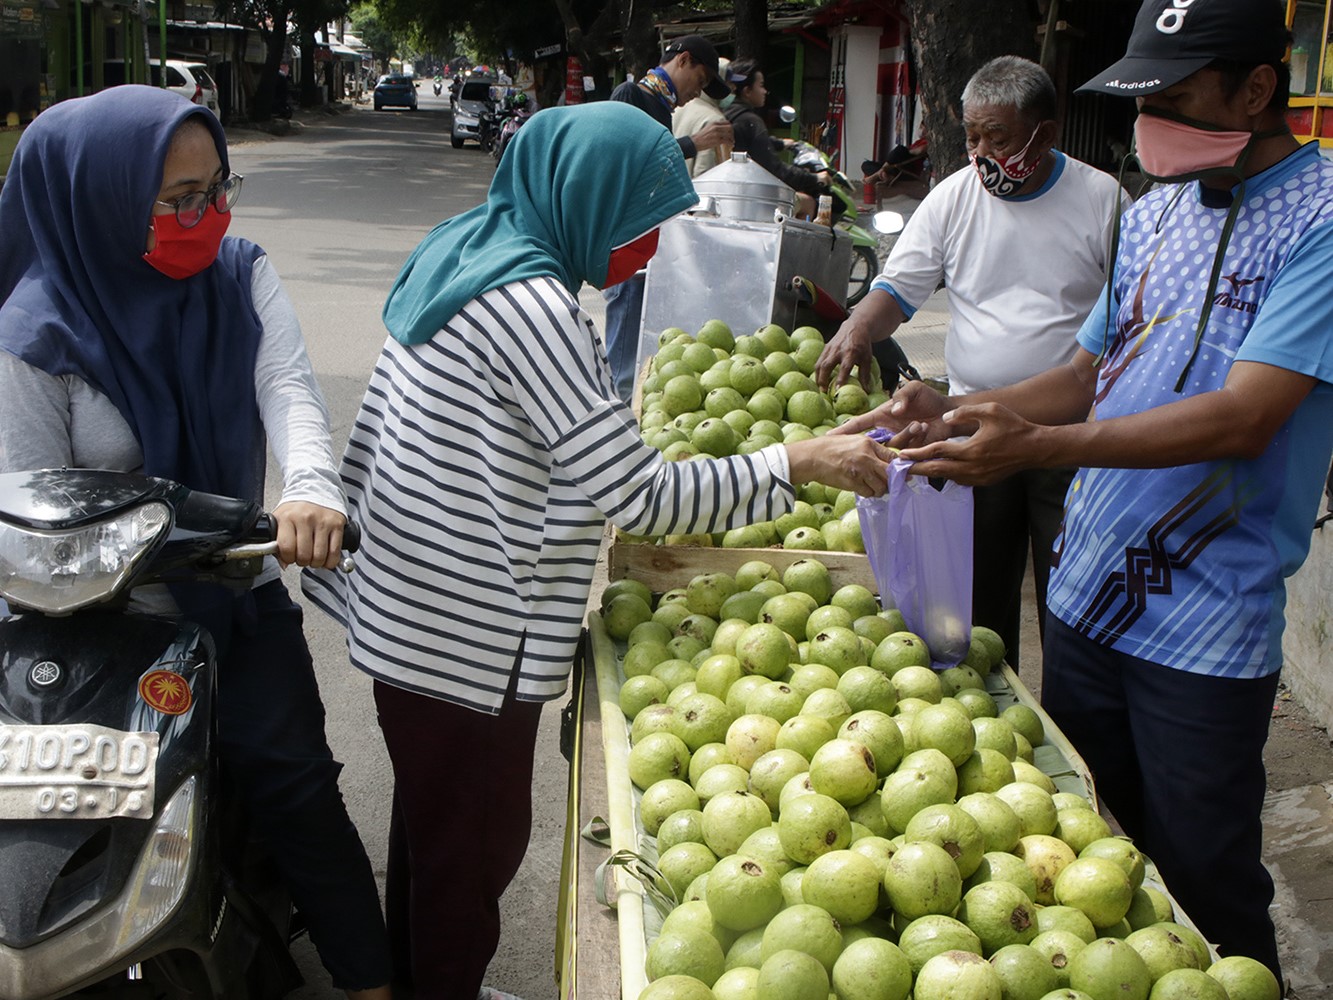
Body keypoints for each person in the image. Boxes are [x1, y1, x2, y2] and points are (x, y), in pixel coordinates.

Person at [300, 102, 895, 1000]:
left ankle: (430, 979)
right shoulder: (529, 306)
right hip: (468, 631)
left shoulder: (468, 249)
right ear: (586, 199)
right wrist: (800, 459)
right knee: (475, 846)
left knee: (434, 832)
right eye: (640, 224)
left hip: (414, 608)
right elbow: (639, 493)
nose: (649, 249)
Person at [837, 0, 1332, 982]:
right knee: (1096, 854)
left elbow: (1246, 415)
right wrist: (964, 411)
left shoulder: (1320, 220)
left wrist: (1039, 443)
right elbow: (1082, 369)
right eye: (1142, 99)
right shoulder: (1151, 216)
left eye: (1175, 97)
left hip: (1204, 621)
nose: (1149, 120)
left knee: (1207, 880)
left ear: (1254, 89)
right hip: (1088, 596)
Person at [0, 87, 392, 1000]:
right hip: (86, 624)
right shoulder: (30, 334)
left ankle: (370, 981)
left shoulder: (241, 274)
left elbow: (290, 395)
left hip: (231, 587)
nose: (204, 215)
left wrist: (307, 492)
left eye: (217, 189)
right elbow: (22, 502)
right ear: (96, 197)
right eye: (175, 197)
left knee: (292, 779)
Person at [817, 56, 1129, 668]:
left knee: (1075, 593)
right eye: (972, 137)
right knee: (976, 590)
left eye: (1000, 138)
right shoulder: (953, 198)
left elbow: (1125, 323)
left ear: (1047, 131)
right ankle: (987, 700)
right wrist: (858, 324)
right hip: (968, 428)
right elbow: (898, 292)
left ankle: (1071, 714)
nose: (983, 153)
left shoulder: (1101, 199)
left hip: (1067, 427)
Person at [602, 34, 735, 403]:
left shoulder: (662, 108)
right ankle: (615, 423)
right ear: (684, 60)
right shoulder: (630, 96)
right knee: (624, 351)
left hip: (646, 240)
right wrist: (696, 143)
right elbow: (630, 166)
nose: (699, 90)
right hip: (627, 241)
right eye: (702, 78)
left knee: (637, 341)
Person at [723, 58, 832, 219]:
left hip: (732, 189)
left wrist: (780, 143)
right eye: (761, 86)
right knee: (808, 202)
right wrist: (815, 178)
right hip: (751, 197)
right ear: (746, 91)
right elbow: (775, 170)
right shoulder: (750, 120)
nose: (765, 91)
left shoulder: (729, 113)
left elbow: (752, 143)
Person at [672, 56, 732, 176]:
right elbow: (705, 172)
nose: (733, 88)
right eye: (730, 83)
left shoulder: (677, 108)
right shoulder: (715, 120)